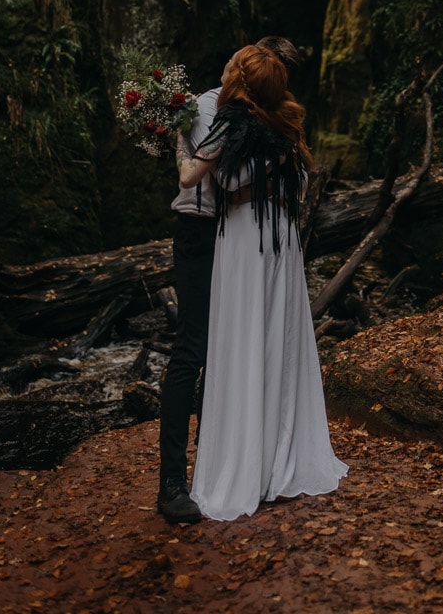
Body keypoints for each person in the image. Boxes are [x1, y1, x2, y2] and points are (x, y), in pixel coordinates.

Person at [177, 44, 347, 520]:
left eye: (233, 64)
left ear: (244, 82)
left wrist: (178, 133)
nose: (226, 65)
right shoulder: (287, 124)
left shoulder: (232, 121)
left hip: (248, 236)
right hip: (282, 238)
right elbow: (303, 183)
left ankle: (247, 466)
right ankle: (279, 456)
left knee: (245, 339)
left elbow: (195, 178)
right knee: (278, 340)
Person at [157, 36, 301, 524]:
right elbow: (195, 177)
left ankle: (235, 461)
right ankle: (173, 482)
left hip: (244, 238)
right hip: (203, 234)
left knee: (241, 348)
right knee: (193, 349)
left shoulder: (264, 117)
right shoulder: (198, 107)